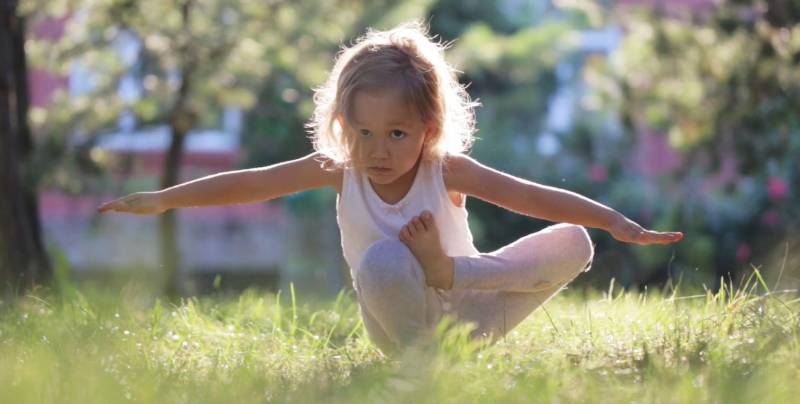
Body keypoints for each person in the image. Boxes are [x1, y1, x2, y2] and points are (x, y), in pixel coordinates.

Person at [98, 21, 683, 356]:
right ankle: (422, 366)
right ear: (343, 125)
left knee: (574, 242)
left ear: (427, 129)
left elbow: (530, 197)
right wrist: (167, 197)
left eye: (397, 133)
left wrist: (613, 220)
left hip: (472, 311)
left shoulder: (444, 169)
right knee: (380, 261)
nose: (378, 149)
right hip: (399, 325)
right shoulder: (339, 169)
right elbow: (254, 183)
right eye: (363, 131)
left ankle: (450, 281)